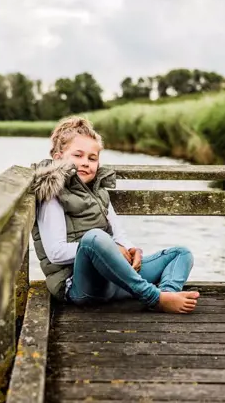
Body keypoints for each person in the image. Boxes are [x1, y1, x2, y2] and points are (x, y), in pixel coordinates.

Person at [30, 116, 200, 313]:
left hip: (113, 279)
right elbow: (56, 253)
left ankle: (166, 294)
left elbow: (119, 235)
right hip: (80, 286)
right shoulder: (52, 193)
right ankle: (154, 298)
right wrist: (110, 248)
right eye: (78, 155)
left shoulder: (98, 191)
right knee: (94, 238)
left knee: (180, 254)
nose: (86, 163)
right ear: (58, 158)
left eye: (92, 158)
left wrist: (131, 249)